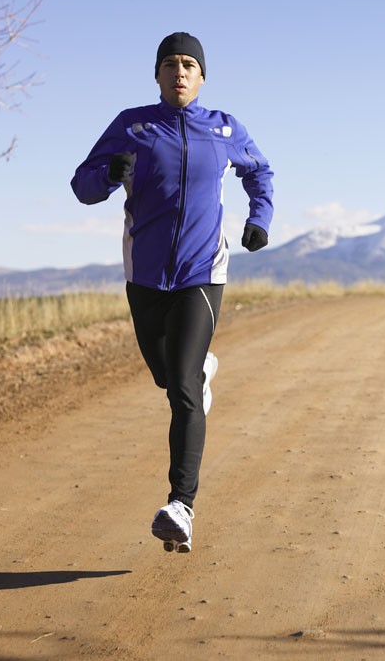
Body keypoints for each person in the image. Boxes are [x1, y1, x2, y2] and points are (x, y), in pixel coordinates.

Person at [70, 32, 274, 554]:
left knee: (182, 390)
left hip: (202, 274)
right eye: (170, 64)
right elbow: (82, 184)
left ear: (202, 77)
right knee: (167, 376)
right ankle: (199, 369)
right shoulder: (132, 125)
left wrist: (260, 219)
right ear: (157, 76)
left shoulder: (225, 128)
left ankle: (180, 505)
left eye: (188, 64)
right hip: (144, 277)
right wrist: (108, 175)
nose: (179, 72)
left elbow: (260, 172)